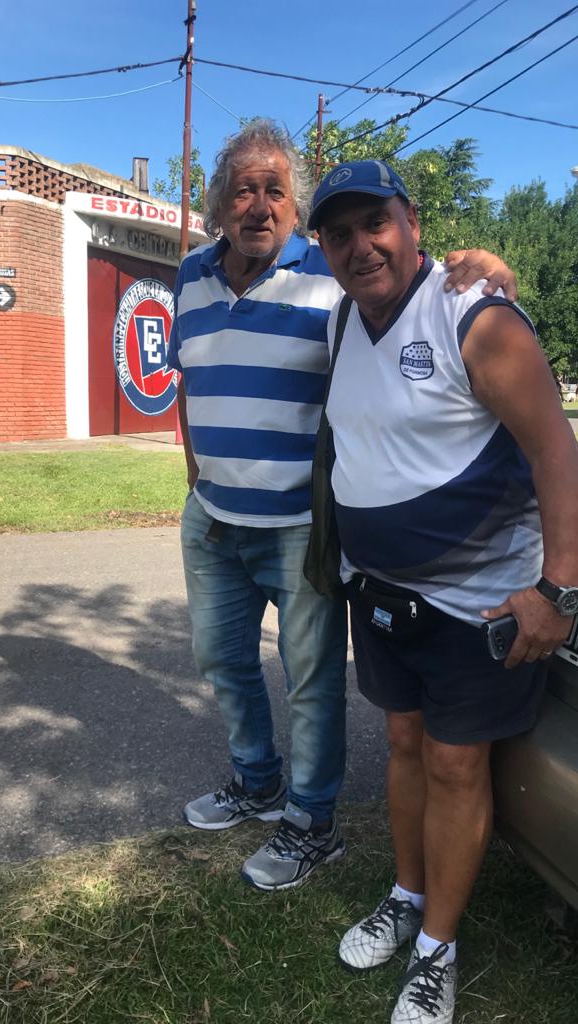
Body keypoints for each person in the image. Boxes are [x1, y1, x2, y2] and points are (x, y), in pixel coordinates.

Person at [166, 119, 519, 894]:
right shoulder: (189, 276)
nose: (259, 206)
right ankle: (256, 781)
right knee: (222, 661)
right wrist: (197, 476)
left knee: (311, 682)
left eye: (275, 191)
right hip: (214, 522)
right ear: (218, 204)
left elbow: (413, 291)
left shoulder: (330, 275)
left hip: (302, 527)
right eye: (243, 190)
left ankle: (312, 822)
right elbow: (189, 381)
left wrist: (485, 266)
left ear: (296, 211)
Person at [307, 159, 578, 1024]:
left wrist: (560, 591)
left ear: (412, 223)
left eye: (375, 223)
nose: (360, 246)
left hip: (482, 606)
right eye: (339, 234)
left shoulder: (473, 313)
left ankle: (437, 950)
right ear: (323, 250)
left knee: (458, 765)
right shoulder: (340, 319)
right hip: (384, 596)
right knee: (404, 744)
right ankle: (406, 894)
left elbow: (557, 451)